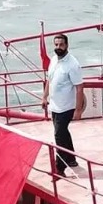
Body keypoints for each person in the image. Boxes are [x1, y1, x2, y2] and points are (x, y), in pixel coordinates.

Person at [42, 33, 84, 177]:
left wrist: (78, 110)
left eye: (61, 44)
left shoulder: (73, 65)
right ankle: (71, 159)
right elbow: (50, 80)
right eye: (56, 44)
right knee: (63, 132)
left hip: (66, 107)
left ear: (67, 45)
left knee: (59, 136)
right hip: (54, 105)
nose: (58, 47)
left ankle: (59, 169)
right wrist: (44, 96)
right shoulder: (54, 60)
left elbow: (79, 88)